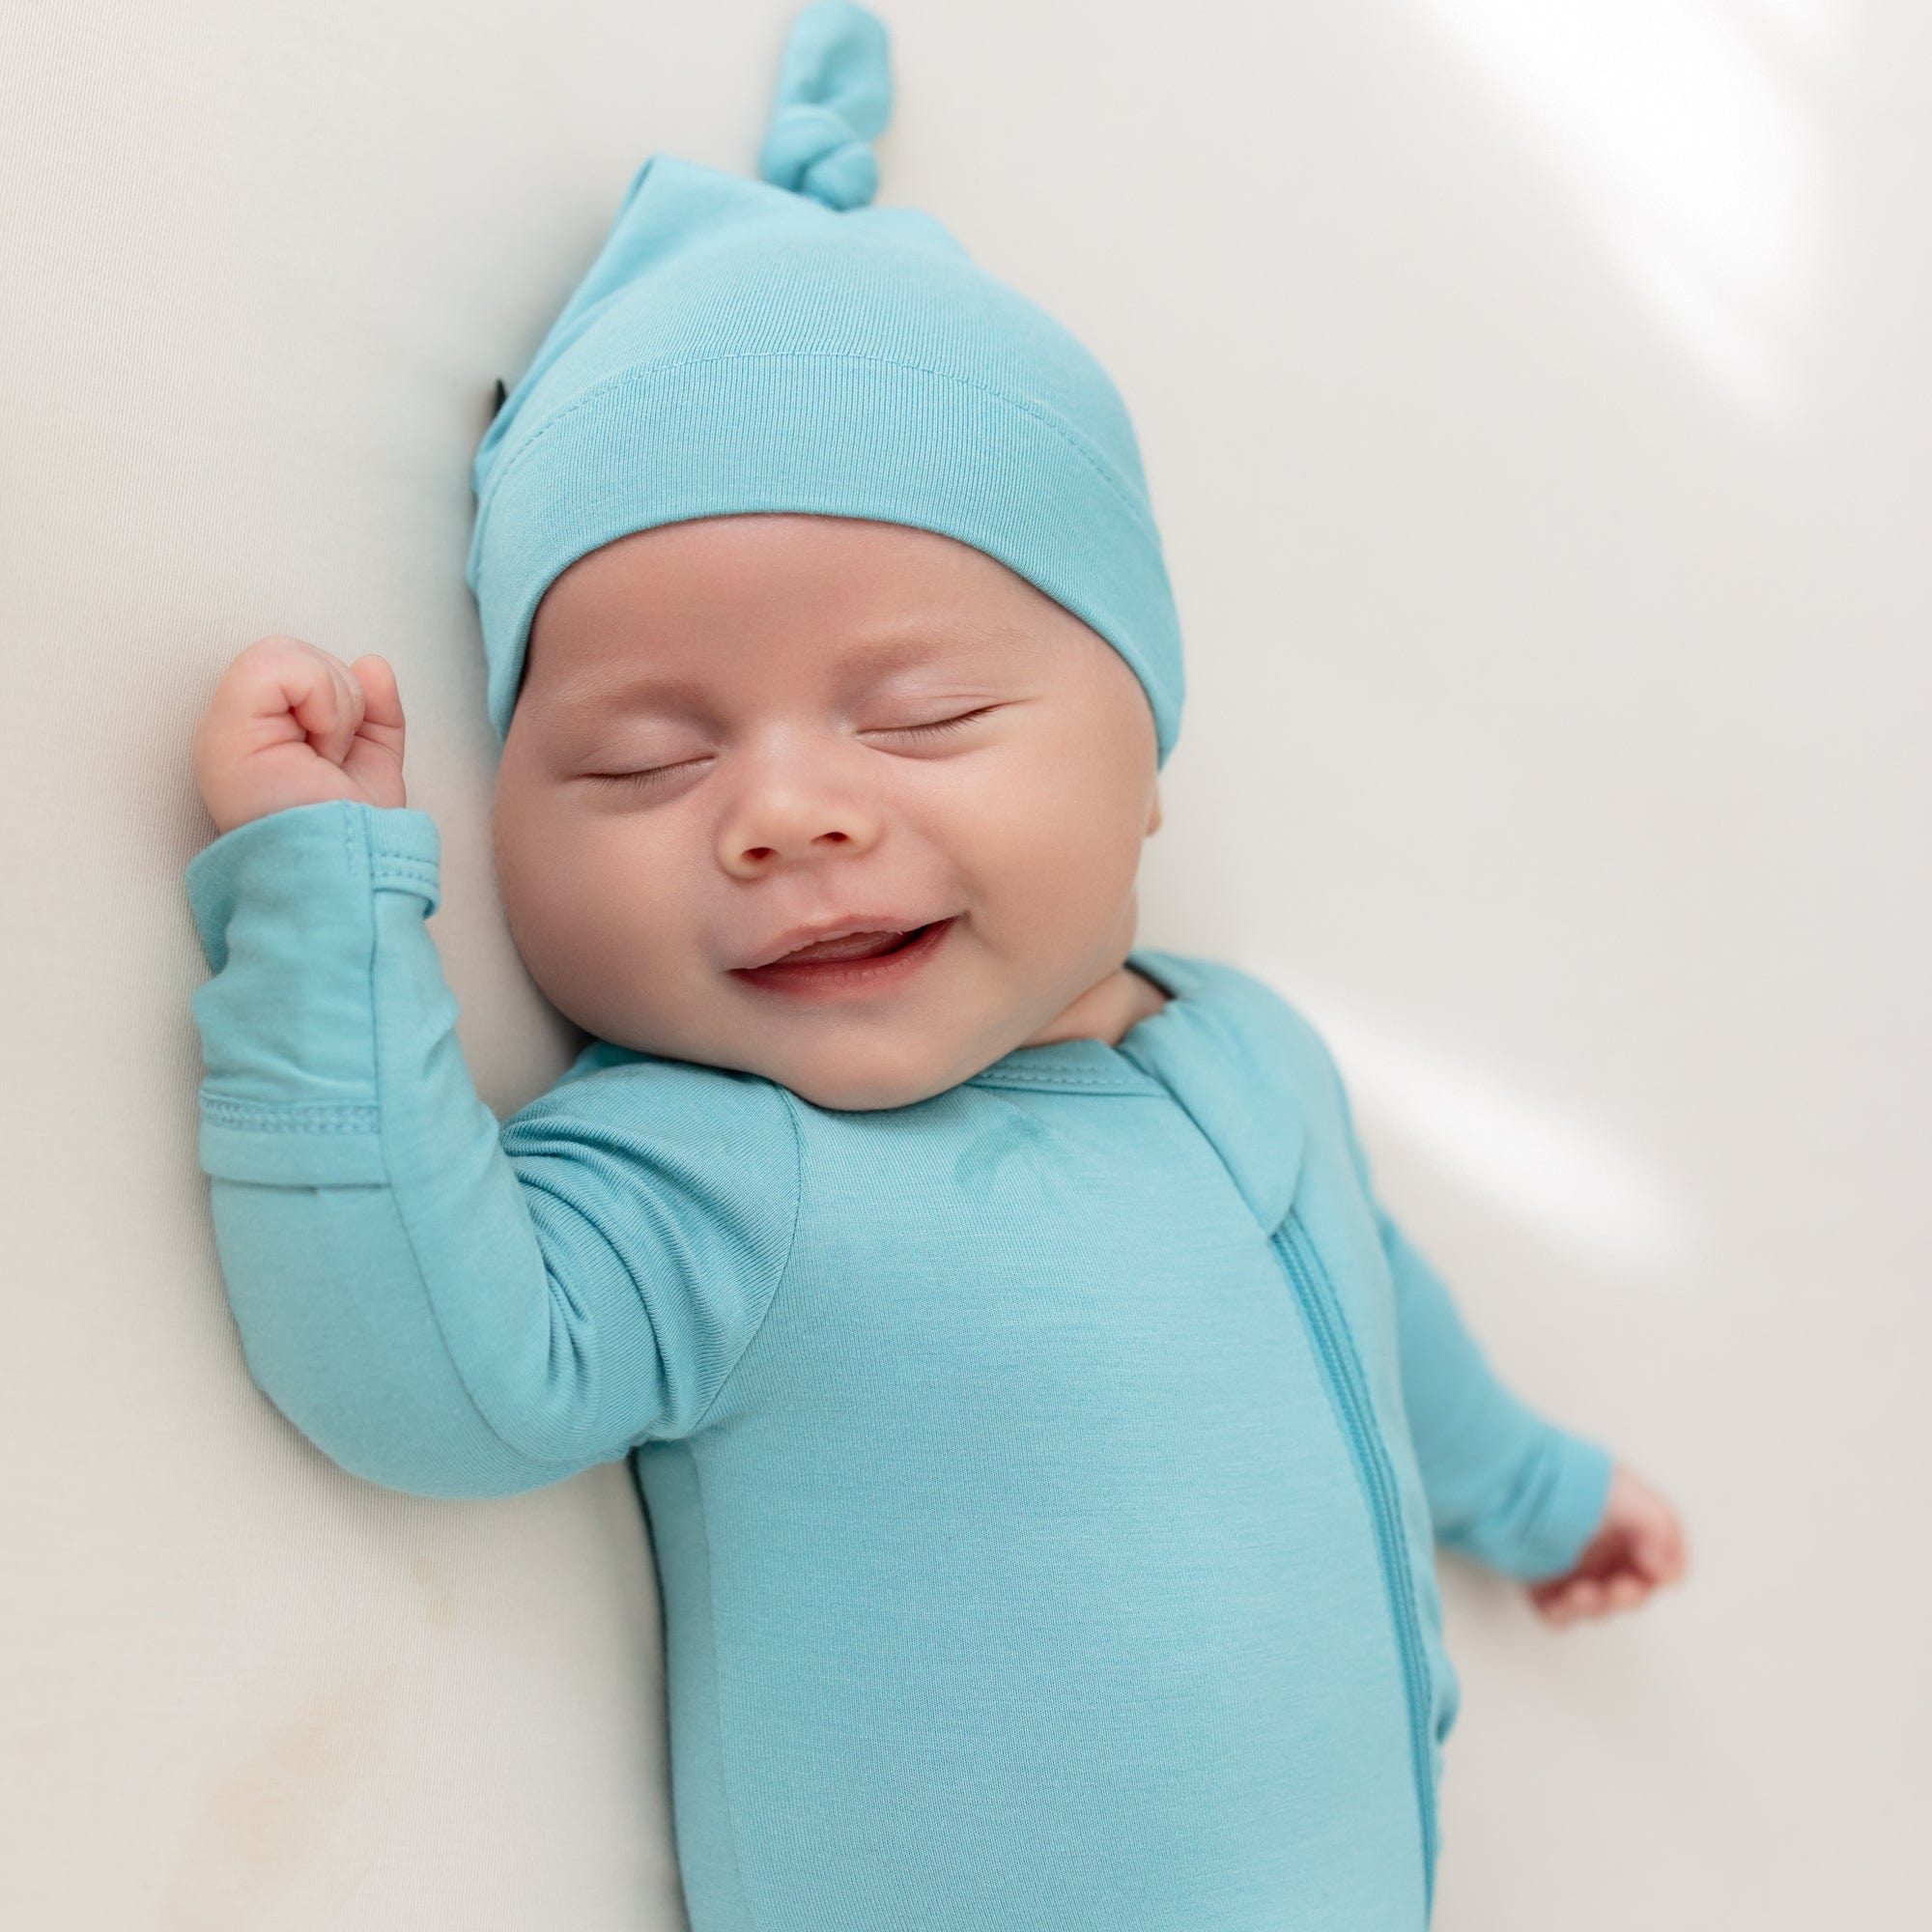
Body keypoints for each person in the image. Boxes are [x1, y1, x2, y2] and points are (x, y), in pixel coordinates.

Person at [184, 5, 1688, 1926]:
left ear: (1146, 753)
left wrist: (1540, 1490)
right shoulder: (715, 1170)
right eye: (644, 762)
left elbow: (1386, 1316)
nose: (786, 814)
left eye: (919, 714)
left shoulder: (1258, 1062)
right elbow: (423, 1377)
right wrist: (319, 904)